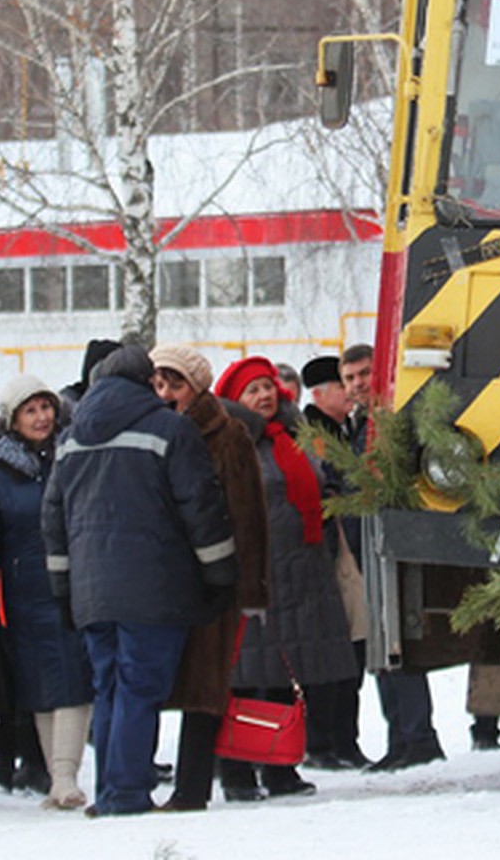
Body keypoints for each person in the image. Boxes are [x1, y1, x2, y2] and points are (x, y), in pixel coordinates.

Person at [42, 344, 238, 817]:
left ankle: (112, 789)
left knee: (109, 687)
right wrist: (220, 572)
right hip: (155, 588)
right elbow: (200, 506)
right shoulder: (170, 429)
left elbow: (52, 520)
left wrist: (63, 590)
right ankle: (125, 793)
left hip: (92, 590)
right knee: (139, 687)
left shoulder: (70, 440)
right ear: (146, 382)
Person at [212, 356, 359, 800]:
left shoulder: (292, 436)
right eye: (252, 390)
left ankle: (280, 767)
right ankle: (236, 770)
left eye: (268, 386)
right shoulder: (229, 442)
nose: (264, 395)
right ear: (235, 400)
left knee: (284, 676)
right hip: (255, 574)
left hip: (300, 572)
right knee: (243, 680)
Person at [150, 345, 269, 812]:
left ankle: (192, 787)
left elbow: (249, 511)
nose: (165, 394)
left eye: (174, 384)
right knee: (157, 681)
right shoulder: (153, 432)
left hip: (214, 578)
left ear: (196, 387)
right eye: (157, 384)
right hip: (163, 576)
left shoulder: (227, 434)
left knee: (204, 684)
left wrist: (251, 583)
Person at [0, 374, 94, 810]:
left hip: (77, 584)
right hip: (25, 590)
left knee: (77, 678)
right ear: (12, 420)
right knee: (42, 684)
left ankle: (65, 778)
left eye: (46, 407)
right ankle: (55, 775)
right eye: (30, 410)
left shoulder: (76, 452)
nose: (42, 417)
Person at [340, 344, 446, 771]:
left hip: (391, 543)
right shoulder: (356, 425)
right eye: (349, 378)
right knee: (380, 650)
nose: (358, 384)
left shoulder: (393, 422)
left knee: (397, 645)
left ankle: (417, 736)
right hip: (364, 547)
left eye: (364, 374)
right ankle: (401, 738)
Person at [299, 355, 370, 769]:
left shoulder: (343, 428)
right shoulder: (314, 435)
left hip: (346, 550)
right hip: (333, 553)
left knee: (353, 654)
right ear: (321, 393)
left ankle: (344, 740)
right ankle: (324, 742)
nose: (352, 391)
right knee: (336, 654)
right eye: (344, 384)